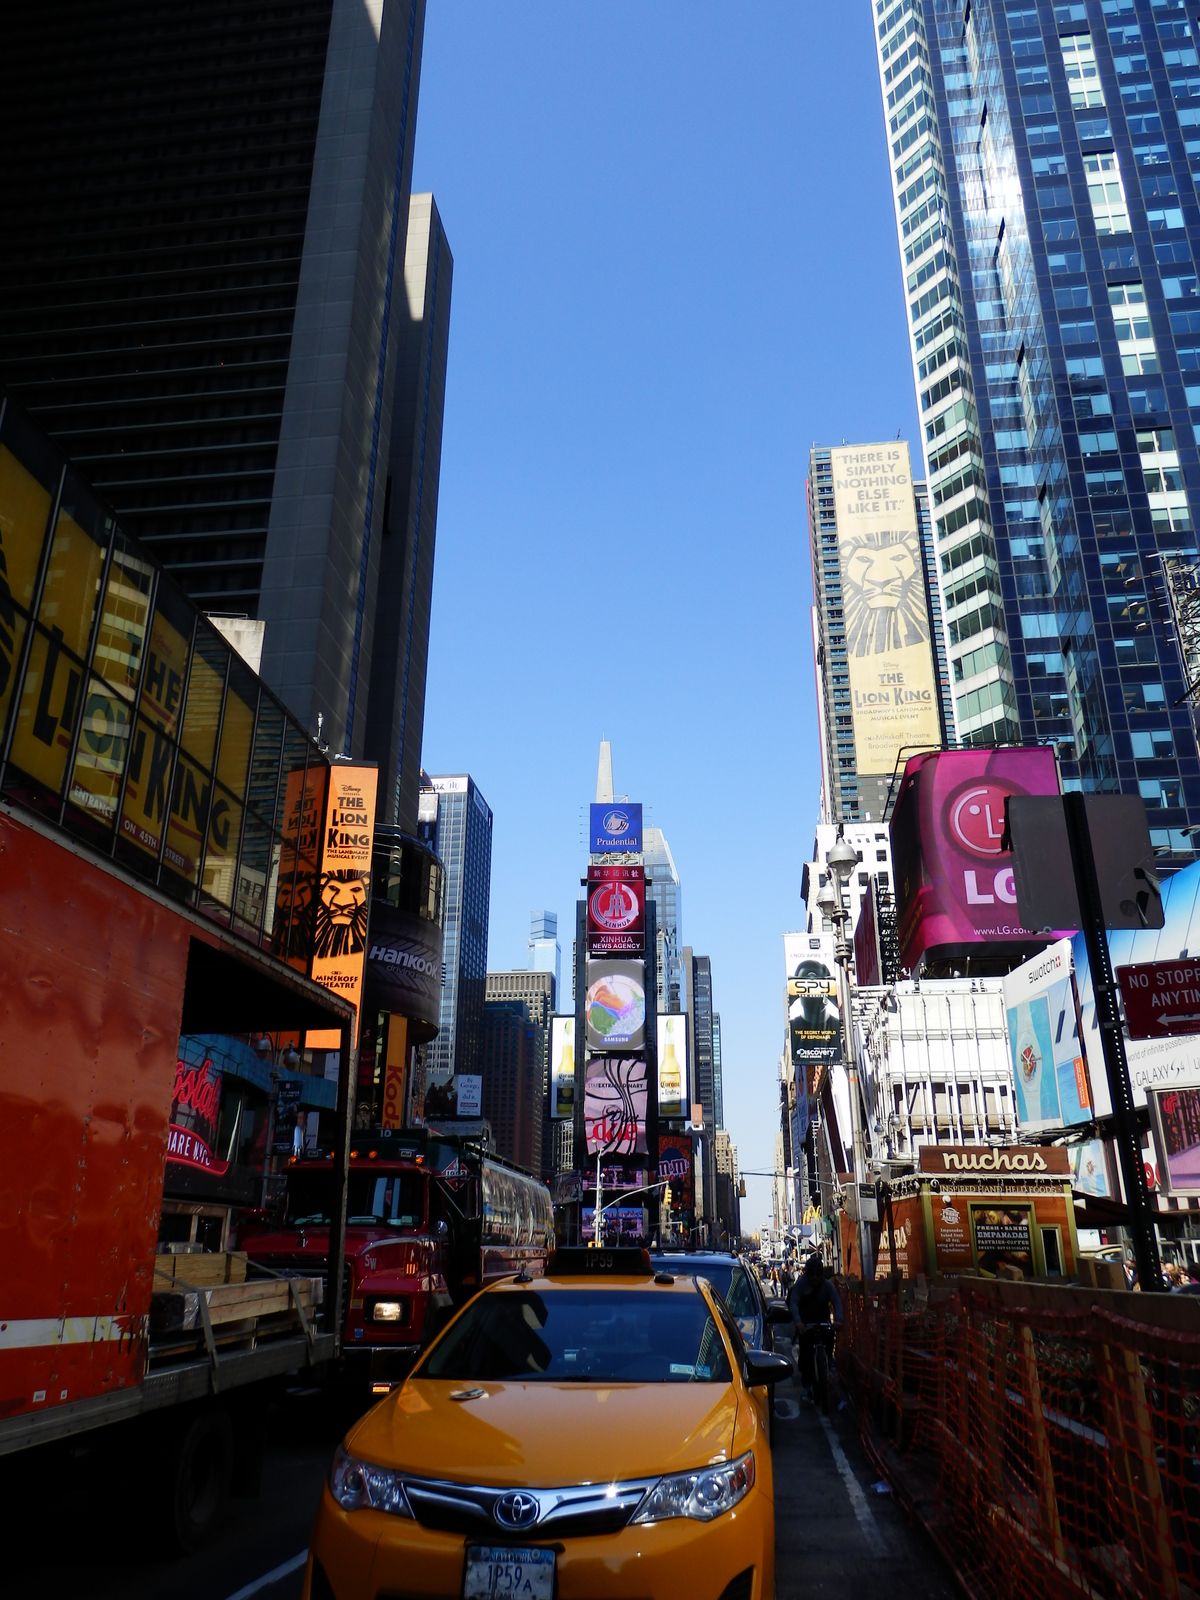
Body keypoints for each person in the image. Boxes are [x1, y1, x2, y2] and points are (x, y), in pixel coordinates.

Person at [788, 1254, 843, 1403]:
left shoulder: (827, 1285)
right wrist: (798, 1322)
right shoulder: (801, 1284)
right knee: (805, 1355)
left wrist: (839, 1320)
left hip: (823, 1321)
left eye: (818, 1275)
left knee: (829, 1343)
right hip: (806, 1324)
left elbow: (837, 1302)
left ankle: (829, 1363)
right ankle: (806, 1388)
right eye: (812, 1275)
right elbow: (794, 1303)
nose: (815, 1278)